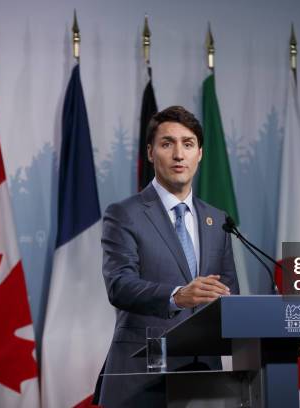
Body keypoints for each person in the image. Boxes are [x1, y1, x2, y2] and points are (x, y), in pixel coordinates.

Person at [95, 105, 240, 407]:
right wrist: (177, 296)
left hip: (205, 382)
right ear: (150, 153)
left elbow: (230, 299)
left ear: (199, 153)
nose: (178, 154)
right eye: (167, 143)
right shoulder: (124, 214)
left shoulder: (218, 221)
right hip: (141, 378)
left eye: (188, 144)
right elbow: (119, 285)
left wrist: (278, 338)